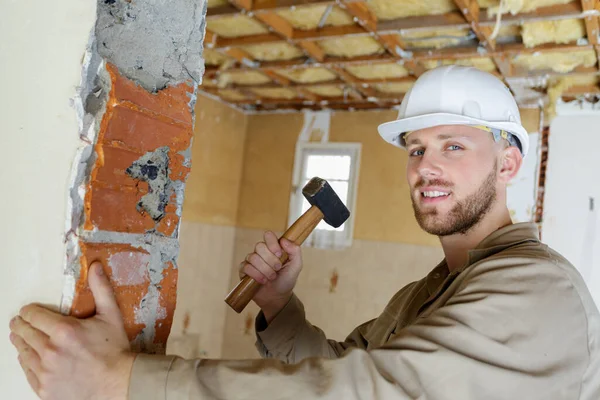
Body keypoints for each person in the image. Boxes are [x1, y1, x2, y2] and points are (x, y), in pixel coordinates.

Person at [9, 66, 600, 399]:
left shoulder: (537, 289)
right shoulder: (429, 292)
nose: (425, 167)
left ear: (508, 163)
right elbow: (341, 362)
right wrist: (279, 304)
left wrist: (124, 382)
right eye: (416, 148)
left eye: (454, 146)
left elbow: (367, 391)